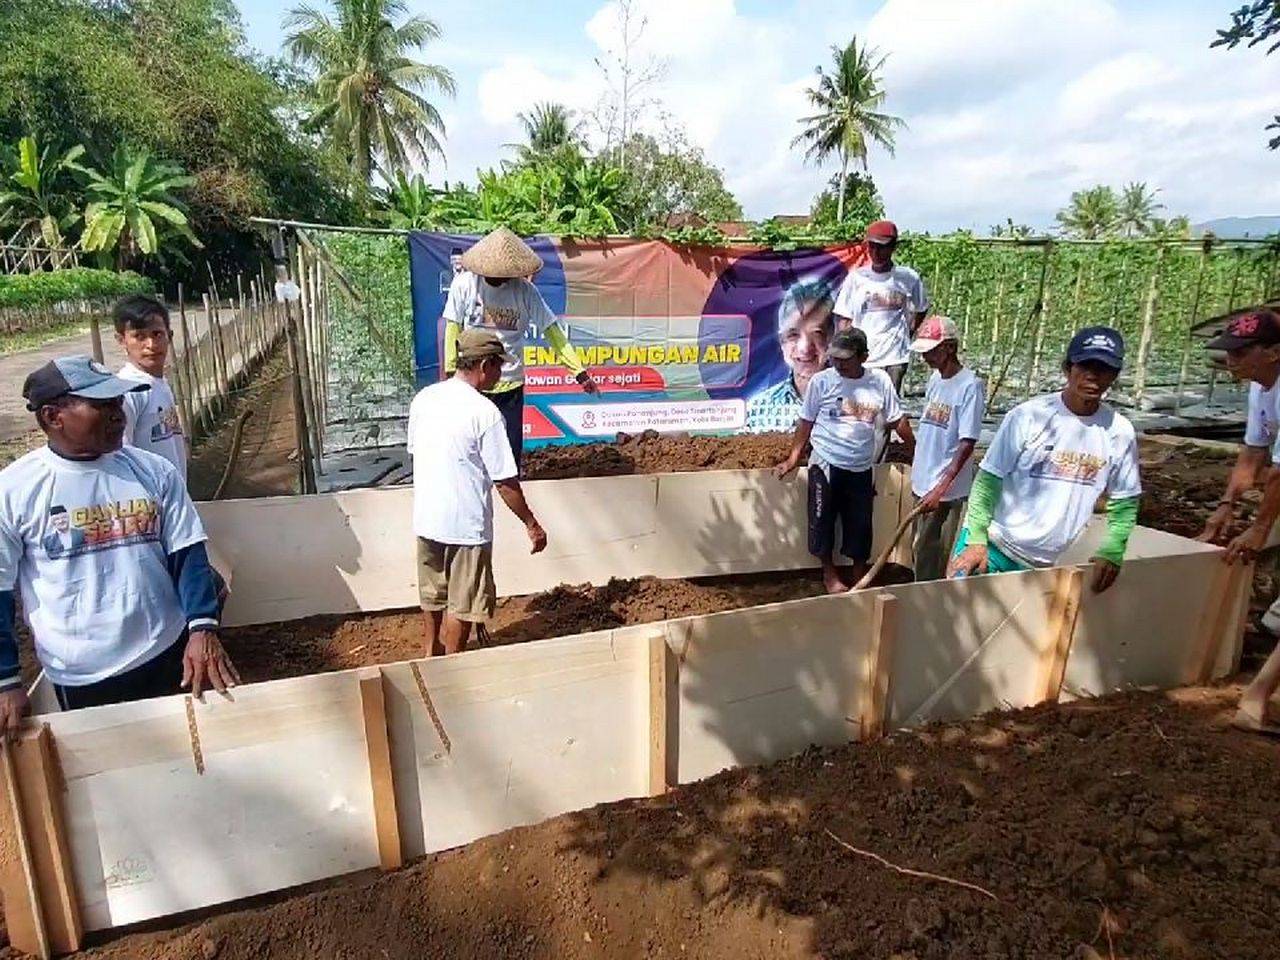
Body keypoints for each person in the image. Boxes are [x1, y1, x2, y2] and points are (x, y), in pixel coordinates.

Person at [0, 356, 239, 736]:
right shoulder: (14, 491)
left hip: (166, 652)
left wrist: (201, 629)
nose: (119, 415)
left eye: (118, 403)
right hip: (82, 674)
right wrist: (6, 680)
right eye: (102, 405)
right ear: (52, 417)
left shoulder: (154, 471)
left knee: (187, 759)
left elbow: (187, 552)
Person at [948, 326, 1141, 593]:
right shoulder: (1028, 417)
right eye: (1085, 366)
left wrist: (1114, 547)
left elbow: (1125, 500)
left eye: (1104, 369)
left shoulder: (1119, 432)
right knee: (956, 623)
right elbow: (989, 479)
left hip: (1046, 565)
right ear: (1067, 368)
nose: (1093, 377)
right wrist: (977, 539)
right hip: (992, 546)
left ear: (1115, 376)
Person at [408, 328, 549, 656]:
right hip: (467, 526)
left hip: (427, 518)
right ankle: (452, 667)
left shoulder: (425, 399)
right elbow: (504, 482)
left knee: (432, 592)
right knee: (465, 602)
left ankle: (431, 652)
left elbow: (417, 450)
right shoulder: (485, 413)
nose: (500, 374)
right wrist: (531, 523)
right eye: (498, 367)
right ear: (484, 366)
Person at [443, 227, 599, 466]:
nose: (499, 278)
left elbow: (552, 332)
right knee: (470, 451)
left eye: (504, 274)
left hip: (510, 384)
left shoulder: (525, 292)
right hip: (473, 384)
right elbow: (452, 327)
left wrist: (579, 372)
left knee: (508, 454)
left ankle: (509, 493)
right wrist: (452, 372)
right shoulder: (464, 285)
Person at [775, 327, 914, 594]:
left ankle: (860, 573)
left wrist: (913, 449)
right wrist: (794, 457)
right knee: (821, 520)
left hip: (861, 464)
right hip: (826, 462)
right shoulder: (822, 382)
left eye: (846, 359)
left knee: (860, 525)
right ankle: (830, 575)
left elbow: (897, 420)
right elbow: (806, 421)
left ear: (863, 357)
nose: (838, 364)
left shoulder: (880, 382)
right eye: (835, 358)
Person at [1195, 309, 1280, 734]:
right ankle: (1256, 698)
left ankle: (1256, 698)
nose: (1231, 360)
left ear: (1273, 352)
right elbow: (1252, 456)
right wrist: (1226, 507)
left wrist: (1260, 528)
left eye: (1242, 352)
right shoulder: (1260, 389)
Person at [908, 316, 985, 580]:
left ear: (949, 347)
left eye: (931, 351)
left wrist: (940, 489)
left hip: (944, 491)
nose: (925, 357)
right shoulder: (935, 380)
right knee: (918, 551)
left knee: (931, 556)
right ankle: (918, 600)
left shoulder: (969, 386)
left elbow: (967, 443)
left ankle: (927, 609)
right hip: (922, 482)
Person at [833, 219, 930, 392]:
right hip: (863, 357)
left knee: (888, 409)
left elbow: (921, 308)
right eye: (872, 246)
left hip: (894, 358)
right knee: (861, 407)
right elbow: (844, 319)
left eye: (882, 247)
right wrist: (846, 352)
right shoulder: (856, 279)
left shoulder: (908, 278)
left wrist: (908, 331)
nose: (876, 252)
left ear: (893, 247)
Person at [744, 277, 834, 433]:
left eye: (817, 333)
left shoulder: (857, 401)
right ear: (781, 342)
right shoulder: (756, 410)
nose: (805, 348)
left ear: (832, 337)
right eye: (793, 335)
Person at [114, 295, 187, 480]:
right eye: (139, 336)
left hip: (172, 496)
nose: (151, 345)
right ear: (122, 340)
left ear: (169, 336)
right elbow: (120, 456)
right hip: (151, 502)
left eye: (157, 334)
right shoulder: (128, 392)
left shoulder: (160, 384)